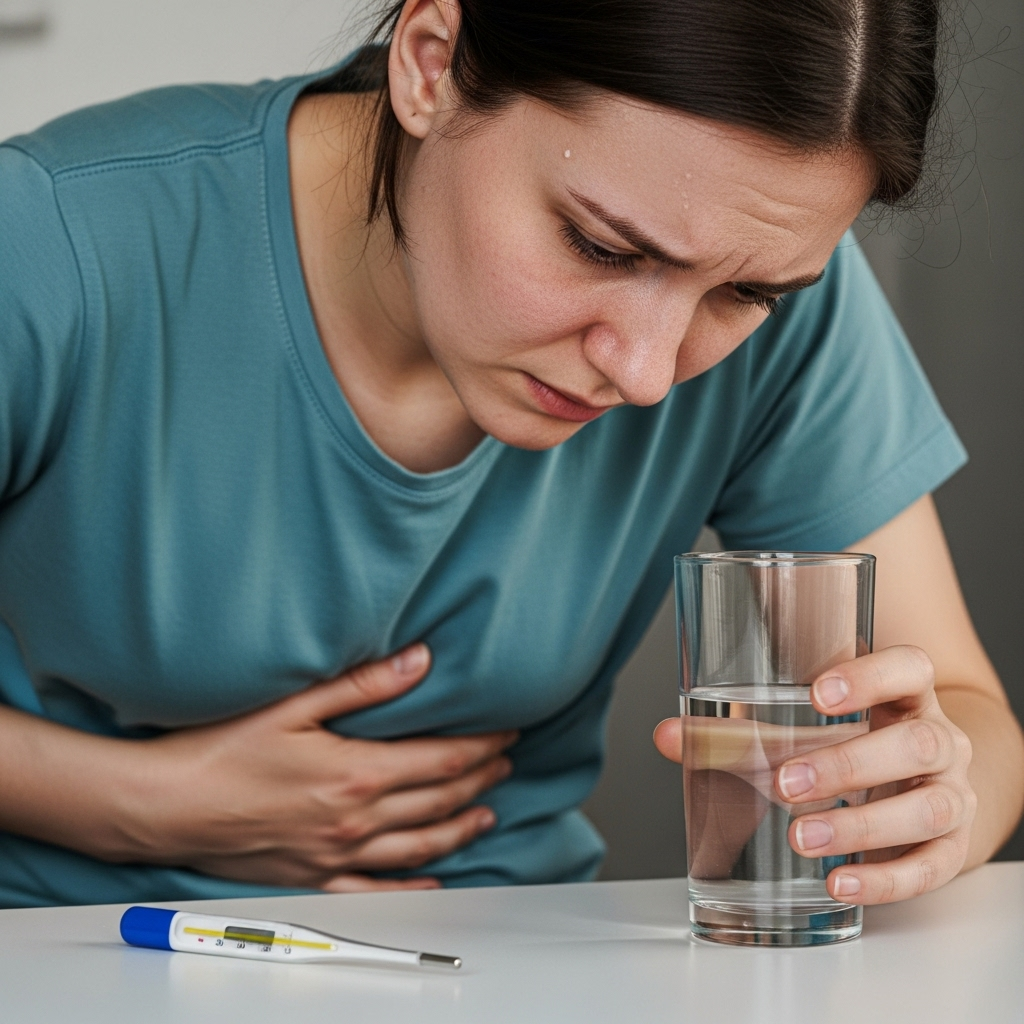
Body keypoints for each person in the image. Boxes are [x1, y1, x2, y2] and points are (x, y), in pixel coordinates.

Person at [0, 0, 1021, 910]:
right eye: (604, 248)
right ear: (430, 63)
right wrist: (139, 806)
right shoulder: (50, 243)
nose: (650, 375)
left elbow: (974, 721)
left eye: (744, 295)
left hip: (512, 964)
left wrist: (928, 795)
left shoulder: (778, 290)